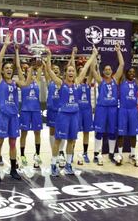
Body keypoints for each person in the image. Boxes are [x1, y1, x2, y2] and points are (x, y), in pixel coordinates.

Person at [45, 46, 98, 176]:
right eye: (69, 71)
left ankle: (68, 165)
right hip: (63, 116)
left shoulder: (78, 82)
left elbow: (85, 68)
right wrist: (49, 56)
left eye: (73, 71)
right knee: (58, 140)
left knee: (72, 141)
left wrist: (93, 55)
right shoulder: (60, 83)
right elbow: (49, 70)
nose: (71, 72)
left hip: (75, 115)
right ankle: (53, 165)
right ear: (65, 73)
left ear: (75, 74)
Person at [0, 34, 33, 182]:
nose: (9, 69)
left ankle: (13, 169)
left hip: (13, 117)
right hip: (2, 117)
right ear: (3, 71)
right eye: (7, 68)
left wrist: (31, 70)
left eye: (11, 68)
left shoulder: (15, 83)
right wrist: (4, 45)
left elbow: (27, 84)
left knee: (13, 143)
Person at [92, 43, 125, 165]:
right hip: (101, 108)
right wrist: (94, 55)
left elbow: (121, 64)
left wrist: (118, 51)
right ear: (103, 71)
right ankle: (96, 153)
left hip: (112, 108)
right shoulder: (100, 80)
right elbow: (92, 69)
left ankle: (111, 154)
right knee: (99, 132)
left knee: (112, 132)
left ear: (112, 71)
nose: (107, 71)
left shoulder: (115, 79)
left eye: (109, 69)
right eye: (105, 69)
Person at [15, 44, 43, 168]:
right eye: (26, 70)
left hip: (36, 110)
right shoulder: (23, 79)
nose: (28, 71)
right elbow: (17, 65)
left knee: (37, 133)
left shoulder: (37, 80)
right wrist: (16, 51)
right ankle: (22, 155)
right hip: (25, 111)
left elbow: (40, 65)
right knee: (24, 133)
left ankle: (37, 155)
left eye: (29, 69)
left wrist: (40, 54)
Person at [114, 63, 138, 166]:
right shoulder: (122, 81)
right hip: (123, 110)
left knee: (133, 133)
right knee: (121, 134)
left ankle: (132, 154)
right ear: (126, 73)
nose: (132, 73)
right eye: (130, 72)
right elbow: (121, 66)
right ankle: (120, 155)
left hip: (133, 110)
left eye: (133, 72)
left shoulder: (136, 82)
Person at [77, 49, 96, 163]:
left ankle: (85, 153)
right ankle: (71, 153)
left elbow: (92, 71)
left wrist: (93, 56)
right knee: (75, 132)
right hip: (78, 111)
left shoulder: (88, 83)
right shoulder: (76, 83)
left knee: (86, 133)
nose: (82, 73)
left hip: (87, 111)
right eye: (80, 71)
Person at [45, 60, 65, 168]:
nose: (55, 70)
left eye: (57, 69)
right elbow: (47, 69)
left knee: (62, 132)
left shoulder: (63, 82)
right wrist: (47, 60)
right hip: (52, 110)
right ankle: (54, 152)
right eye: (54, 69)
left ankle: (61, 152)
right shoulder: (49, 81)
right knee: (52, 132)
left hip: (61, 110)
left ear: (60, 71)